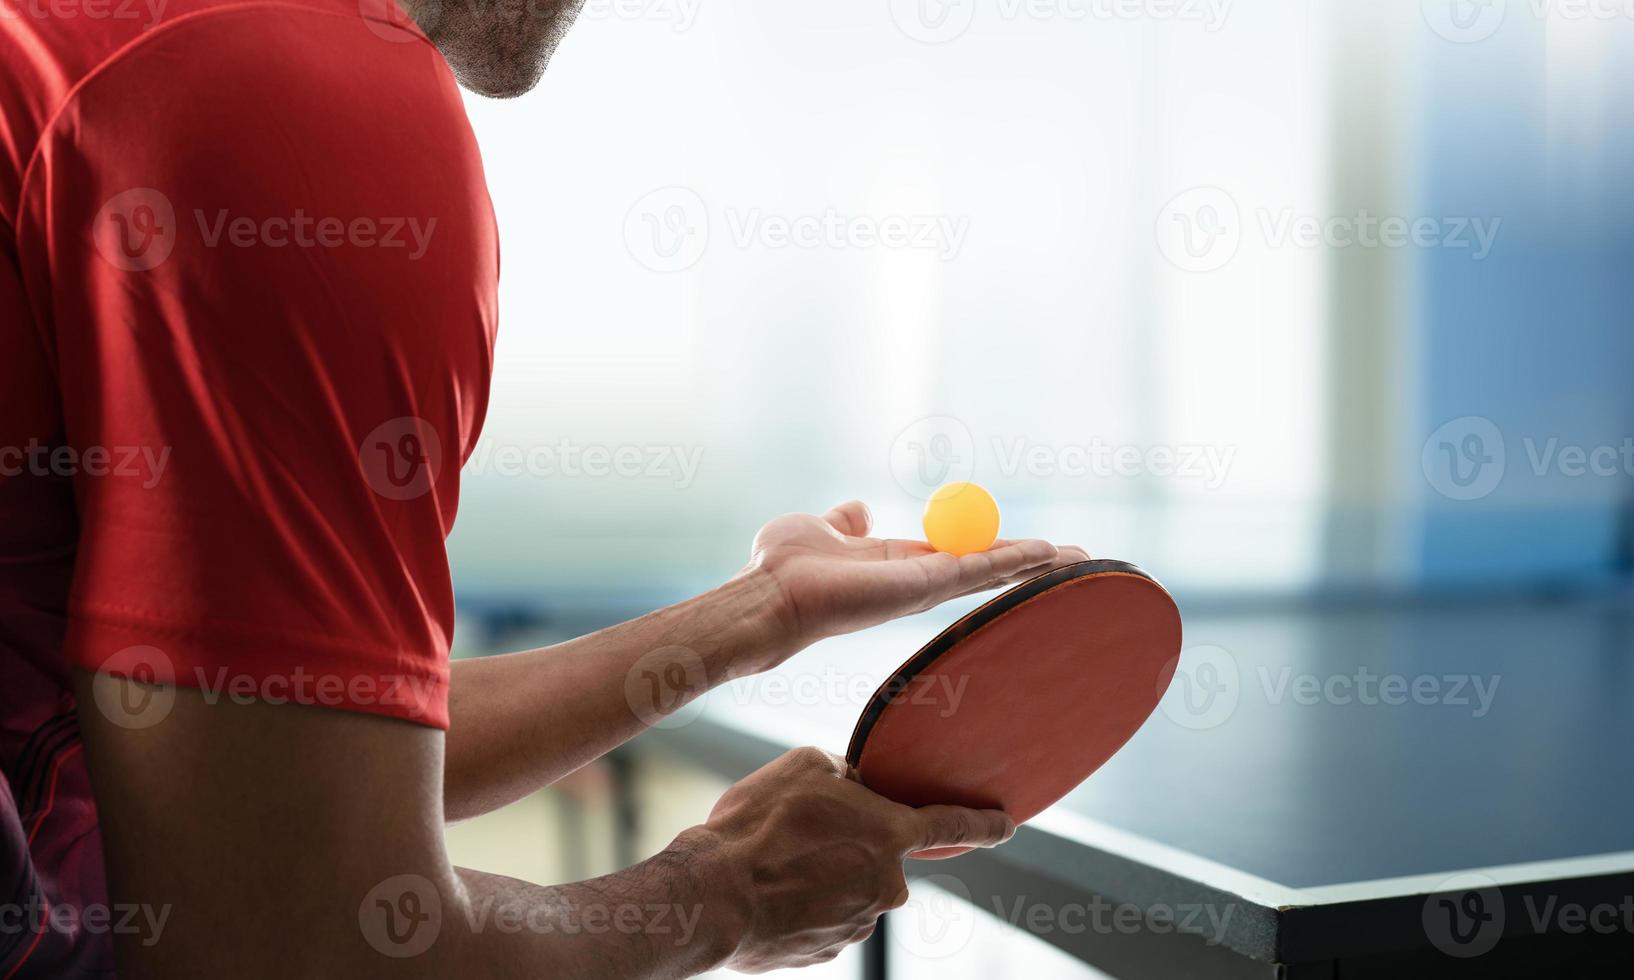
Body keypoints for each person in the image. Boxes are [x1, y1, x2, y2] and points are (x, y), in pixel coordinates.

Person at [0, 0, 1086, 974]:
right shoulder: (297, 97)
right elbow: (300, 946)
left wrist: (761, 611)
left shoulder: (110, 39)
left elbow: (277, 760)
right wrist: (726, 890)